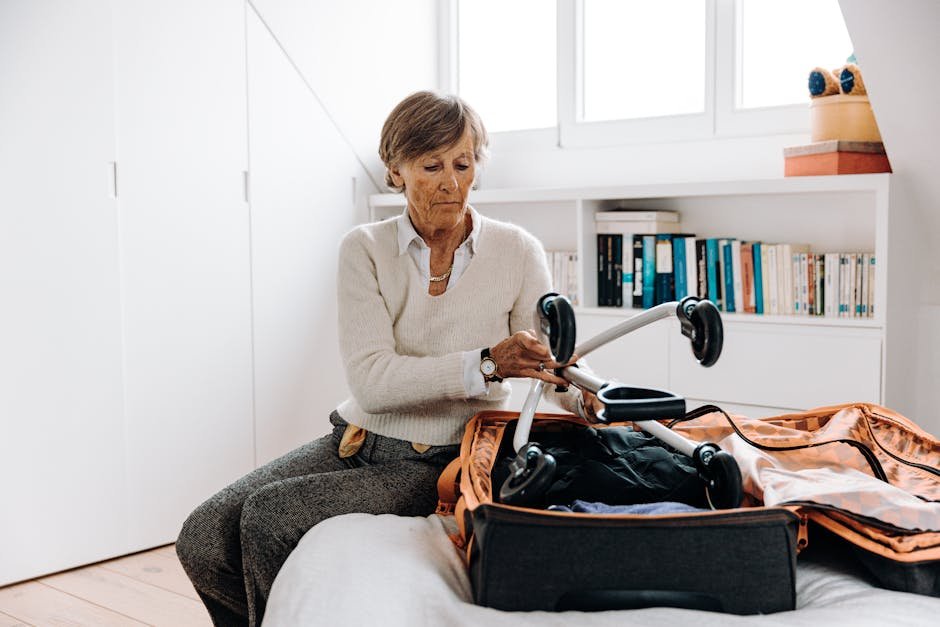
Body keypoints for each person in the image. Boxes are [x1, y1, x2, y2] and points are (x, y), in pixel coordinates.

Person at [175, 91, 601, 626]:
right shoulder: (365, 249)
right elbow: (373, 382)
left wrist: (590, 392)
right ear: (395, 172)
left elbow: (548, 361)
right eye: (431, 166)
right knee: (202, 535)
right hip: (356, 438)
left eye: (463, 164)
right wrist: (488, 363)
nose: (451, 182)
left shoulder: (517, 251)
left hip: (443, 457)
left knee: (268, 517)